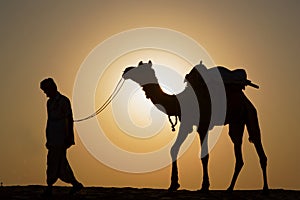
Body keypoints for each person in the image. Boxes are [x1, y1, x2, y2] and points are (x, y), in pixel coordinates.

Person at [40, 78, 83, 196]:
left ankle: (50, 187)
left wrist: (69, 137)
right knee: (58, 162)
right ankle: (75, 184)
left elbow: (69, 119)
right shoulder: (49, 103)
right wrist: (48, 137)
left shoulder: (64, 101)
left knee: (55, 161)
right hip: (53, 137)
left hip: (61, 137)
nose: (45, 93)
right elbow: (49, 121)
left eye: (46, 90)